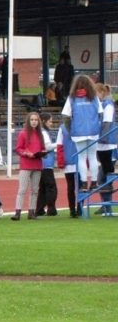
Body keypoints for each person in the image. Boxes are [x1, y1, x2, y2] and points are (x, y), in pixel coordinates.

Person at [61, 74, 103, 190]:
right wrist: (96, 124)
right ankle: (94, 182)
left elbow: (65, 116)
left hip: (78, 132)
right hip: (93, 131)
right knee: (93, 157)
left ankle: (84, 183)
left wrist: (70, 129)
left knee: (82, 157)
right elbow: (101, 114)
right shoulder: (94, 98)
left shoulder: (72, 98)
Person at [11, 112, 45, 220]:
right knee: (22, 189)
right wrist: (26, 153)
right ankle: (18, 212)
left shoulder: (40, 134)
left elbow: (42, 147)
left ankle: (31, 211)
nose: (34, 122)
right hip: (26, 164)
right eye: (32, 120)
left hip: (37, 164)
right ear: (28, 121)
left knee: (35, 190)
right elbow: (18, 148)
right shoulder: (23, 133)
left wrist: (43, 152)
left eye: (36, 120)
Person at [95, 83, 117, 216]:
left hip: (107, 144)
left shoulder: (107, 105)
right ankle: (105, 205)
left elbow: (107, 123)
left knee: (103, 176)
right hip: (102, 144)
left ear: (101, 93)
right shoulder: (102, 105)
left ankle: (107, 206)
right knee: (102, 177)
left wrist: (102, 137)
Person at [35, 112, 58, 217]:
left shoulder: (40, 131)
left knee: (43, 188)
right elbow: (47, 146)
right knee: (51, 187)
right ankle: (51, 209)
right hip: (46, 162)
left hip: (42, 163)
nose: (51, 123)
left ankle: (39, 209)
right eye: (50, 121)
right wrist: (58, 144)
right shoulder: (43, 132)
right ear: (44, 121)